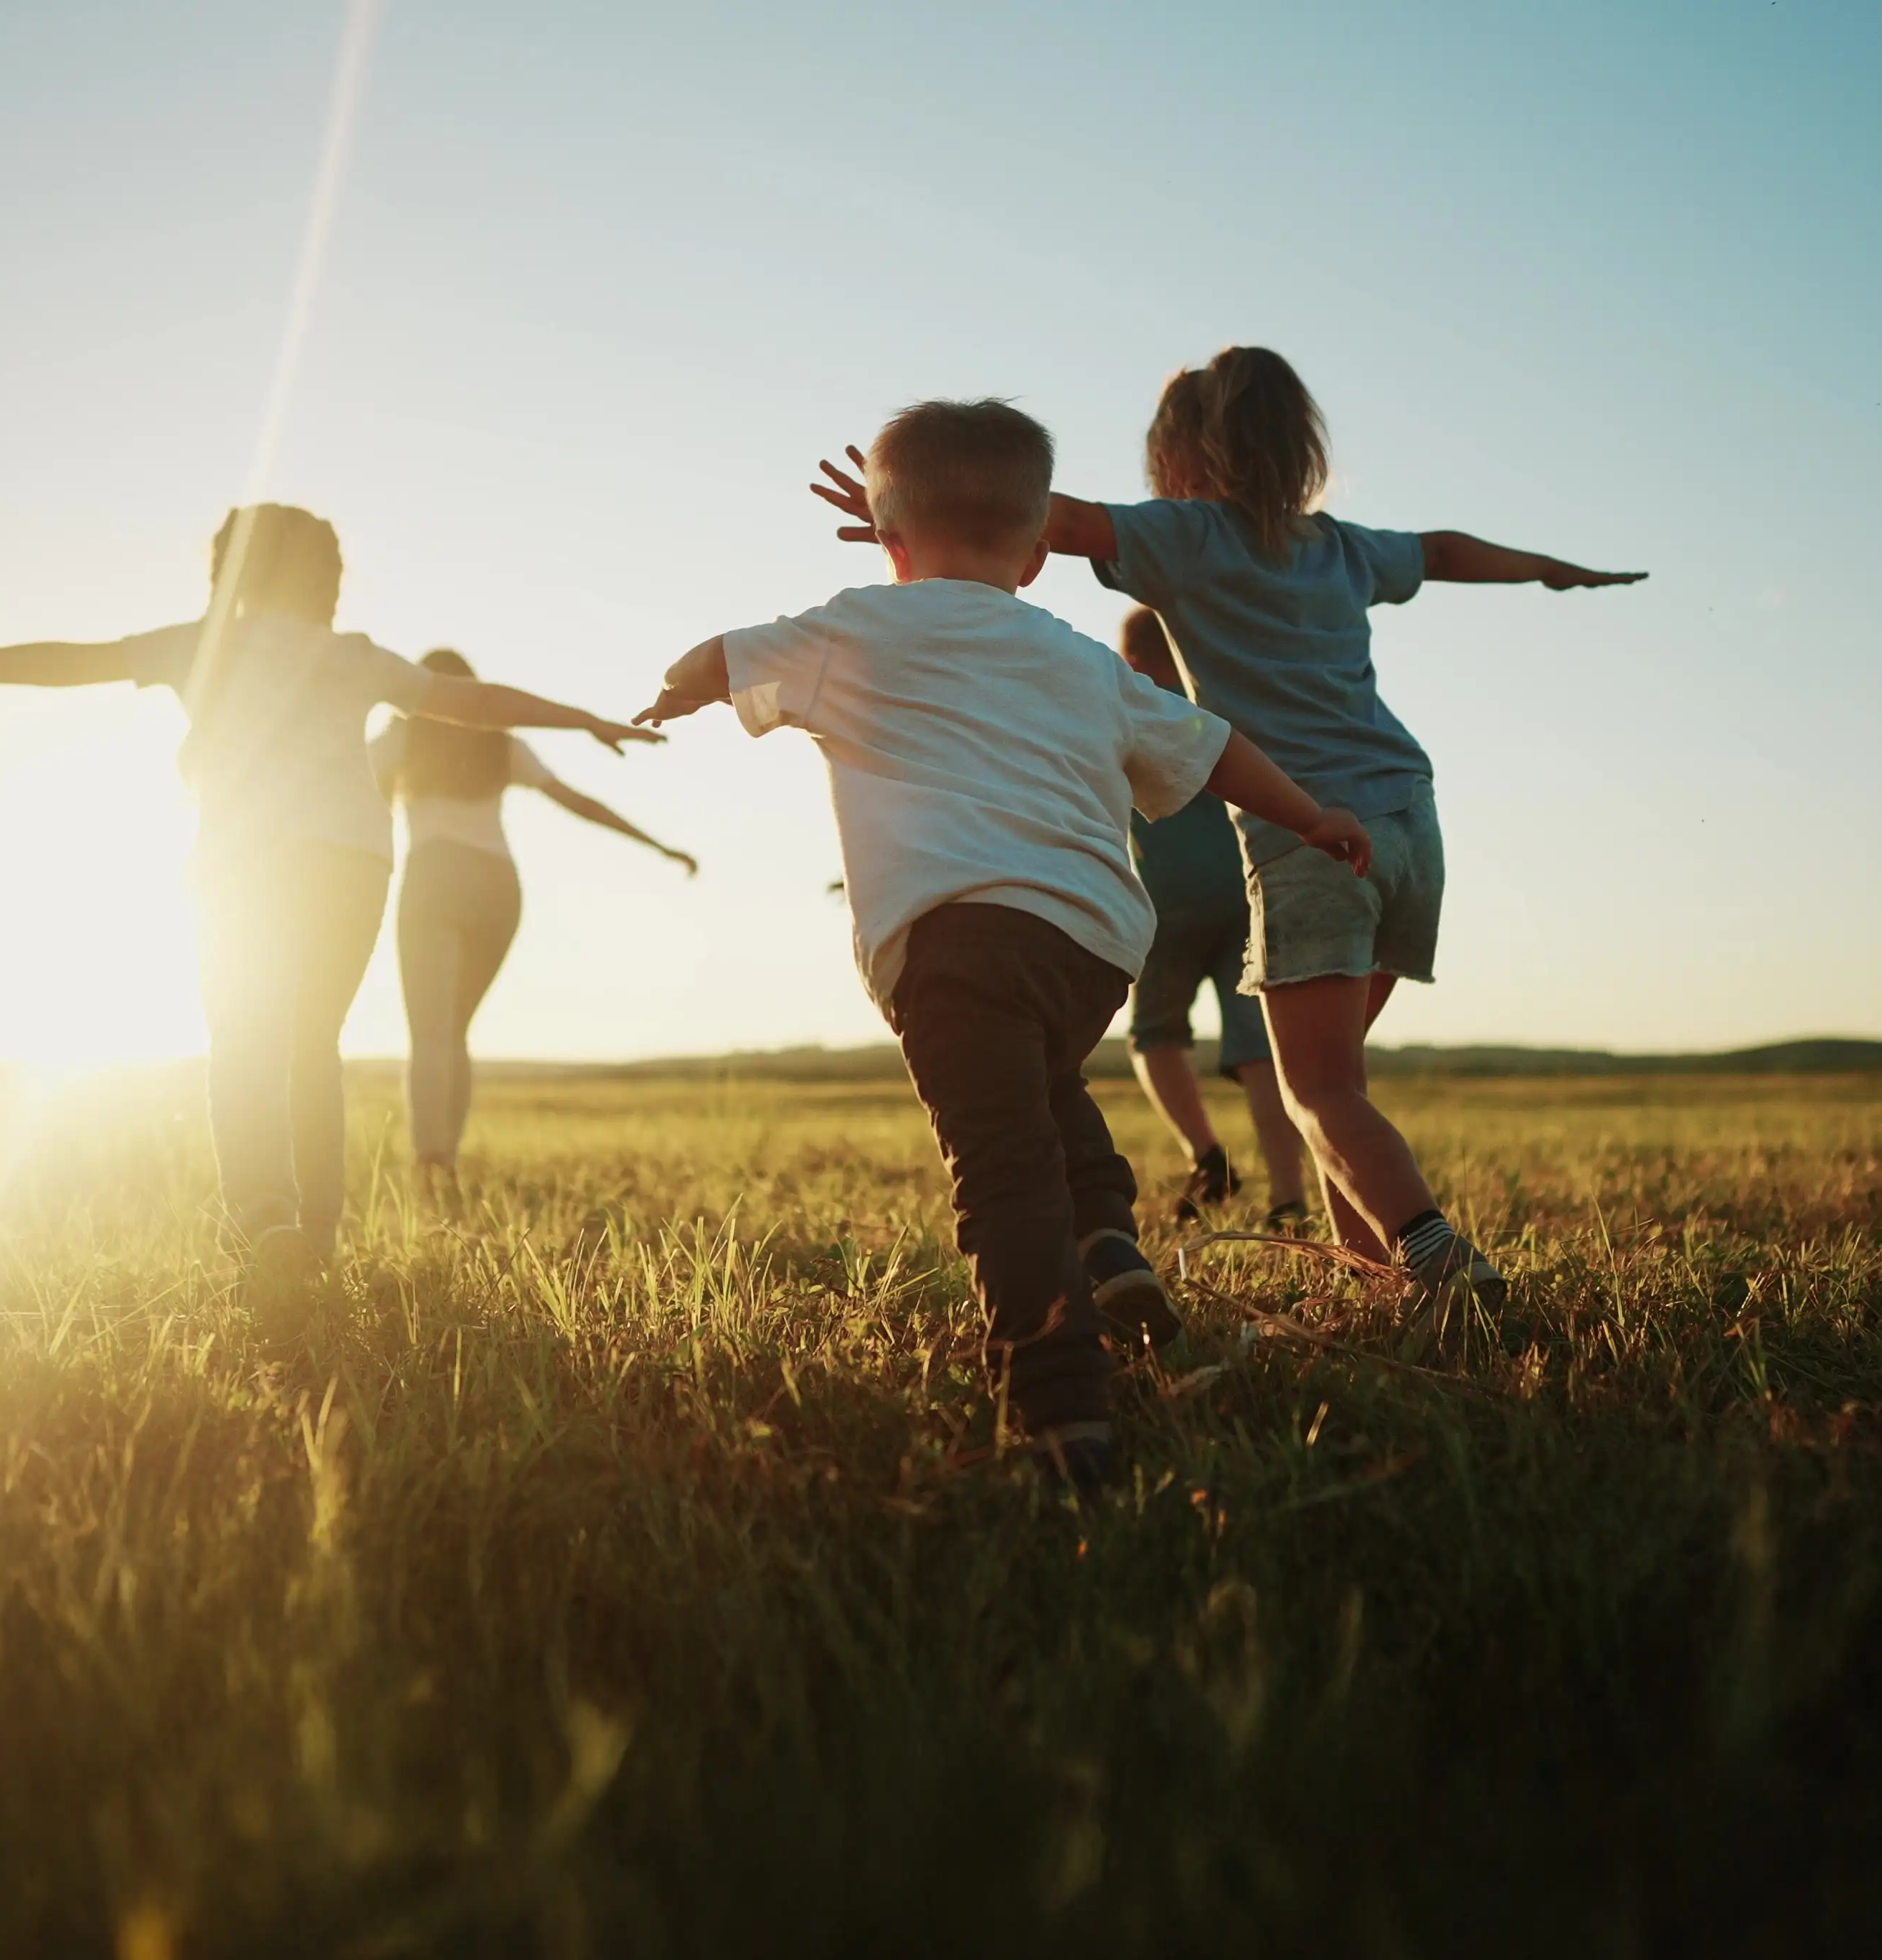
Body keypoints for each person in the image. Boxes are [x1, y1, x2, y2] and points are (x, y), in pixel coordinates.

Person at [812, 348, 1642, 1311]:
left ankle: (1434, 1254)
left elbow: (1045, 517)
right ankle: (1374, 1281)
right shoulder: (1338, 545)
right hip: (1410, 820)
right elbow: (1448, 549)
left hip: (1311, 835)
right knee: (1340, 1082)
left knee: (1318, 1092)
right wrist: (1552, 571)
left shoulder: (1188, 536)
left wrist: (905, 513)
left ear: (1180, 456)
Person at [642, 399, 1370, 1491]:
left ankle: (1060, 1401)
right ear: (1036, 556)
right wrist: (1312, 815)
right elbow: (1214, 749)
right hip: (1089, 945)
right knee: (1040, 1091)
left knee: (1000, 1168)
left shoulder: (853, 626)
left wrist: (672, 693)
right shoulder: (1081, 659)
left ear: (888, 541)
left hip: (950, 940)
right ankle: (1108, 1240)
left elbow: (720, 656)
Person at [0, 505, 657, 1298]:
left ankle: (267, 1222)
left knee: (244, 1036)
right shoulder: (353, 656)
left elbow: (67, 661)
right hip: (353, 863)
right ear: (322, 581)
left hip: (246, 863)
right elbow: (472, 705)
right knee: (313, 1045)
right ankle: (317, 1237)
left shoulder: (202, 644)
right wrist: (580, 719)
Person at [374, 647, 700, 1206]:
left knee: (431, 1035)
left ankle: (431, 1166)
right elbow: (579, 803)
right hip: (498, 888)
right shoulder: (501, 744)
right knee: (453, 1033)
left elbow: (343, 791)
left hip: (434, 878)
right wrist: (660, 846)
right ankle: (443, 1164)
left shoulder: (400, 740)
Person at [1115, 608, 1313, 1234]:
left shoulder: (1127, 708)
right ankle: (1288, 1196)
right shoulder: (1224, 703)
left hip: (1167, 904)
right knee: (1261, 1052)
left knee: (1154, 1034)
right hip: (1245, 895)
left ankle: (1208, 1155)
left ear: (1135, 660)